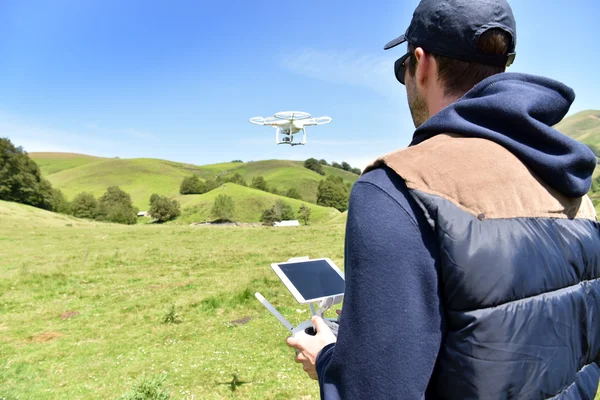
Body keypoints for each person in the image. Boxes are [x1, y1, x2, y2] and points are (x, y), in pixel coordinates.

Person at [286, 0, 600, 398]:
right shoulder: (572, 185)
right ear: (502, 65)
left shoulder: (397, 188)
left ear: (422, 64)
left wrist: (328, 358)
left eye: (402, 69)